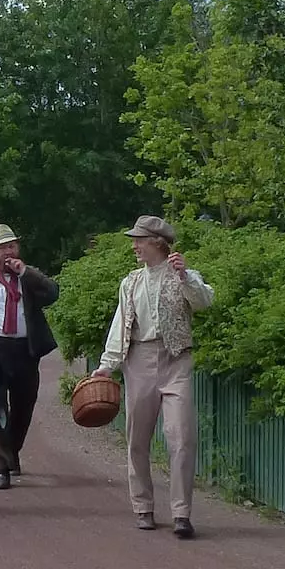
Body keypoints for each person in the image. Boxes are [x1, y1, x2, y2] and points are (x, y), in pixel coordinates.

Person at [92, 215, 214, 539]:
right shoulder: (130, 282)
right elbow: (121, 326)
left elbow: (204, 301)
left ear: (157, 243)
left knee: (182, 436)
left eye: (139, 240)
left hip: (177, 360)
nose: (134, 246)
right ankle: (143, 507)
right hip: (139, 360)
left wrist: (186, 276)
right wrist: (108, 364)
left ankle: (181, 514)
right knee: (138, 438)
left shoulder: (183, 276)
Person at [0, 223, 59, 490]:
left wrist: (26, 273)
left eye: (12, 246)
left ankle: (12, 451)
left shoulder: (28, 275)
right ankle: (2, 467)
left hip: (25, 349)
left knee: (24, 406)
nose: (8, 251)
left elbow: (52, 293)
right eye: (3, 247)